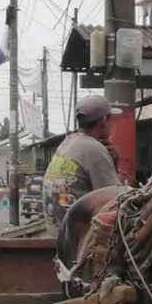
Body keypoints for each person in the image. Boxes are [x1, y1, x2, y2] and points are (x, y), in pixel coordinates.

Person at [42, 95, 124, 236]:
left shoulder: (66, 143)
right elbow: (116, 201)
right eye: (110, 120)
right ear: (104, 121)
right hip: (79, 238)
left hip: (56, 231)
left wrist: (114, 161)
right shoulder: (95, 149)